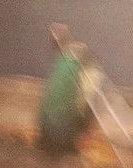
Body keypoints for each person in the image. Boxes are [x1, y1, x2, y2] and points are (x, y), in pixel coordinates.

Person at [36, 24, 96, 156]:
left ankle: (59, 139)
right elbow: (83, 101)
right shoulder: (73, 63)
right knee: (82, 108)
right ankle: (70, 142)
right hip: (63, 131)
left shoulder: (62, 62)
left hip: (48, 129)